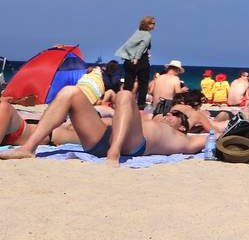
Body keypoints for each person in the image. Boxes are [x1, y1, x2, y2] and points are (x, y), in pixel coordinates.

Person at [0, 85, 207, 164]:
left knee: (125, 94)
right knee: (70, 92)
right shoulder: (147, 117)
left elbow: (219, 137)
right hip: (101, 138)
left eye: (178, 115)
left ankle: (114, 153)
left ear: (183, 126)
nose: (170, 114)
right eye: (170, 111)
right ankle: (28, 149)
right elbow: (117, 113)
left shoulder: (183, 139)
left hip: (132, 144)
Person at [113, 15, 156, 109]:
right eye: (152, 23)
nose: (154, 25)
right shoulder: (147, 35)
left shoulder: (137, 33)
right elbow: (141, 47)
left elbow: (128, 46)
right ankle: (140, 106)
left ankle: (123, 104)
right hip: (140, 61)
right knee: (143, 85)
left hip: (128, 61)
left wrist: (130, 56)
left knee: (128, 84)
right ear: (147, 24)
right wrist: (136, 58)